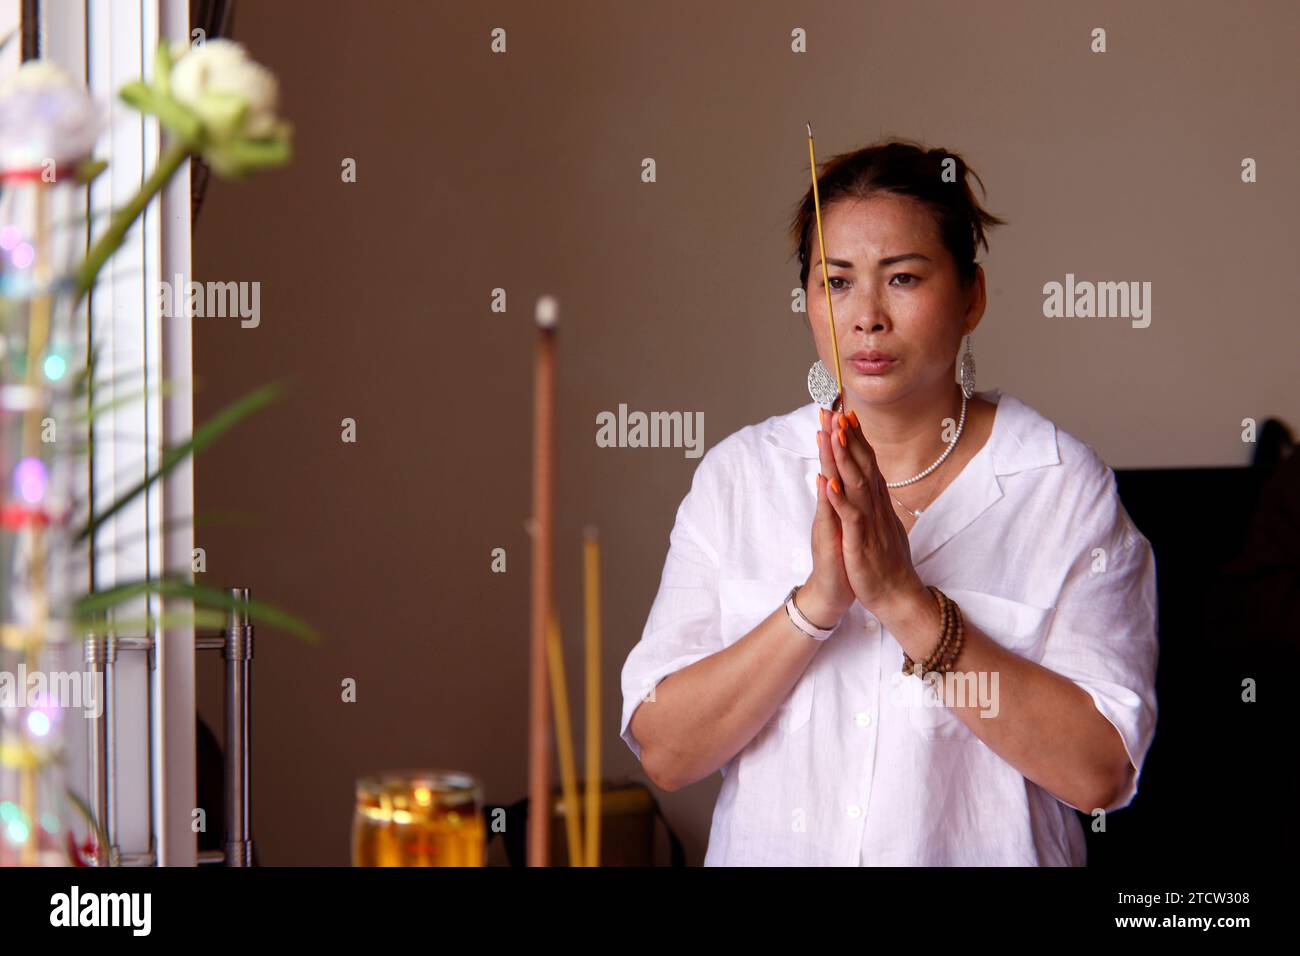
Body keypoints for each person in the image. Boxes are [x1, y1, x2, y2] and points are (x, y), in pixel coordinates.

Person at [618, 139, 1158, 866]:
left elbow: (1100, 773)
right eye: (836, 282)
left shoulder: (1059, 484)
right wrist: (815, 604)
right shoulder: (739, 478)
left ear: (972, 296)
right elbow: (666, 751)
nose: (866, 315)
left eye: (902, 278)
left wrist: (905, 600)